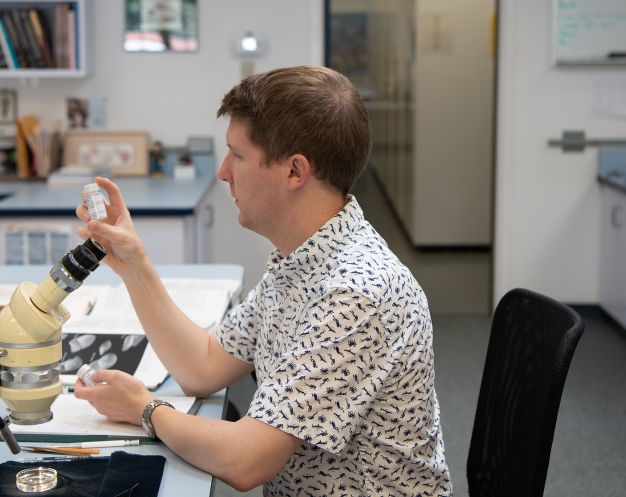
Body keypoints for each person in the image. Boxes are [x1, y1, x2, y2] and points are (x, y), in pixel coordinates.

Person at [74, 65, 453, 496]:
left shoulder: (355, 293)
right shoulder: (301, 261)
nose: (222, 171)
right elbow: (205, 364)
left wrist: (146, 408)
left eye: (237, 154)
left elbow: (245, 461)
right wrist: (133, 264)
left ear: (295, 172)